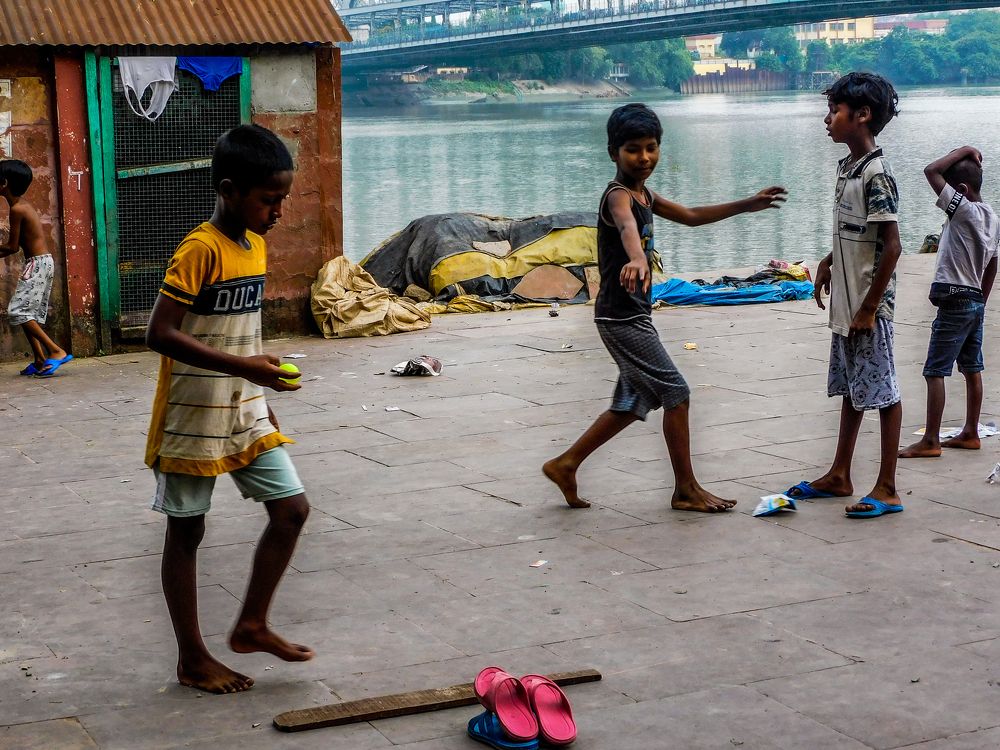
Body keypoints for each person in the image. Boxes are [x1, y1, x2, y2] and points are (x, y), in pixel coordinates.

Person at [543, 103, 786, 512]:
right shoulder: (619, 196)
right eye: (633, 150)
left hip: (634, 315)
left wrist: (747, 204)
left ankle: (566, 464)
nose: (644, 158)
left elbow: (690, 216)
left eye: (652, 148)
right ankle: (685, 489)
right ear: (613, 152)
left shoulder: (645, 195)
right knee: (677, 394)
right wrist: (636, 257)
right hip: (620, 317)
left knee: (632, 403)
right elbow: (625, 227)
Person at [145, 124, 314, 694]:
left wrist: (259, 387)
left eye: (283, 199)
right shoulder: (201, 248)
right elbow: (159, 334)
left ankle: (251, 623)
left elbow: (241, 333)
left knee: (292, 511)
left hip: (245, 410)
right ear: (229, 189)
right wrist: (245, 368)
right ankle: (192, 657)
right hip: (190, 417)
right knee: (186, 534)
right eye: (270, 200)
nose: (279, 211)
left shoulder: (255, 245)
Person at [785, 72, 904, 518]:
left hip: (869, 306)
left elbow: (891, 245)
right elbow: (857, 231)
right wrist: (828, 261)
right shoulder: (847, 168)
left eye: (834, 111)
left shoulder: (876, 172)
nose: (827, 119)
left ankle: (888, 487)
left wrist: (871, 308)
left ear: (862, 115)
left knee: (884, 391)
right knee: (856, 388)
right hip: (849, 302)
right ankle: (839, 473)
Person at [899, 146, 998, 458]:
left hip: (954, 299)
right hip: (974, 300)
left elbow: (931, 171)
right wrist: (981, 298)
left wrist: (965, 150)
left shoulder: (963, 209)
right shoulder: (993, 218)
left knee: (935, 370)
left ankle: (931, 439)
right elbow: (994, 263)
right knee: (972, 367)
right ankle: (970, 432)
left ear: (961, 191)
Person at [0, 159, 72, 376]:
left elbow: (12, 247)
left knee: (18, 311)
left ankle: (56, 351)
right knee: (26, 312)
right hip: (40, 263)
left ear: (4, 183)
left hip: (37, 264)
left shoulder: (17, 210)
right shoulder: (21, 205)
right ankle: (40, 359)